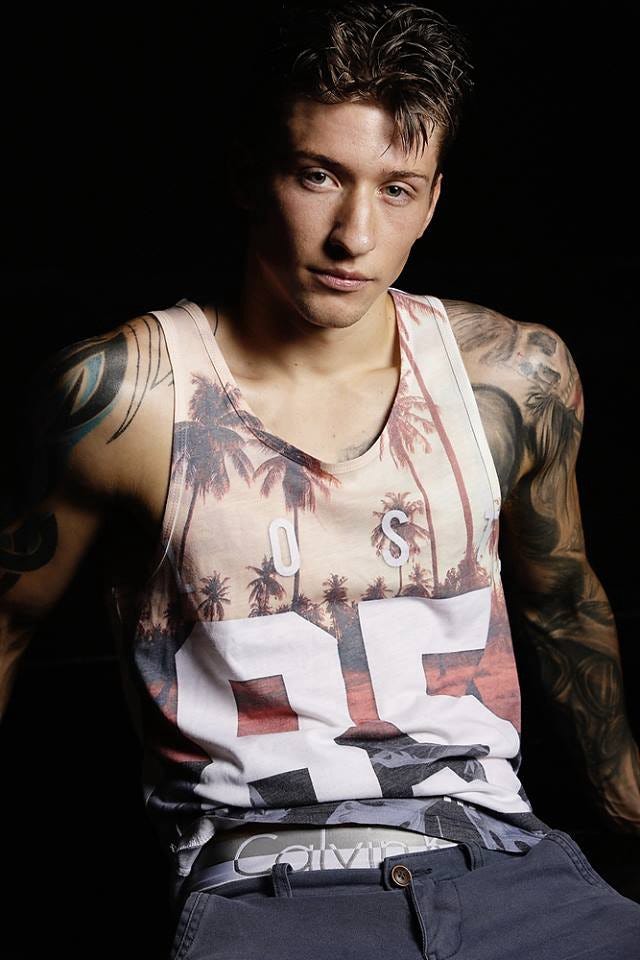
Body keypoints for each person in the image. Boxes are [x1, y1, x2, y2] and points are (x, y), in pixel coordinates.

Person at [2, 1, 640, 957]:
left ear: (433, 201)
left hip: (511, 867)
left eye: (397, 188)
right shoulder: (125, 399)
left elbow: (563, 601)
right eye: (318, 175)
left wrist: (627, 805)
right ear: (247, 175)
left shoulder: (513, 378)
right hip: (267, 887)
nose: (354, 234)